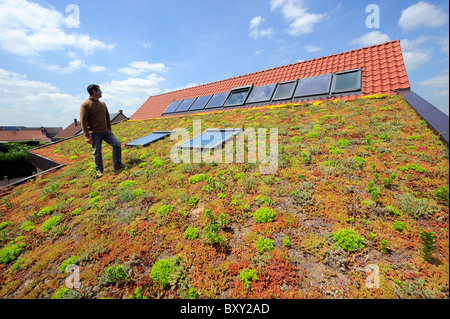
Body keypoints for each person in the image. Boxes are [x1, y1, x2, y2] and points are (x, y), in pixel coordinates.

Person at [80, 84, 126, 178]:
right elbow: (83, 121)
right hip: (94, 133)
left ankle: (117, 164)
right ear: (94, 91)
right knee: (97, 152)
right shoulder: (85, 105)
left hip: (106, 132)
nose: (101, 92)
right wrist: (87, 136)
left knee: (117, 144)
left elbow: (107, 118)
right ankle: (99, 171)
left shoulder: (103, 104)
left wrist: (109, 129)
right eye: (99, 90)